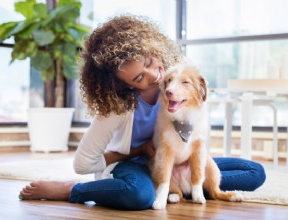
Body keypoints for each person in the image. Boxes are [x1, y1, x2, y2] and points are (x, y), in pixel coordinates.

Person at [19, 15, 266, 210]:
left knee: (254, 173)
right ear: (125, 85)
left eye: (149, 62)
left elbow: (194, 119)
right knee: (138, 196)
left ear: (151, 47)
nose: (155, 76)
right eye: (139, 77)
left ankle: (180, 187)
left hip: (177, 160)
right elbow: (83, 163)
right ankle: (73, 191)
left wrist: (193, 161)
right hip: (137, 164)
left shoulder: (174, 79)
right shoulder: (117, 107)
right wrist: (139, 150)